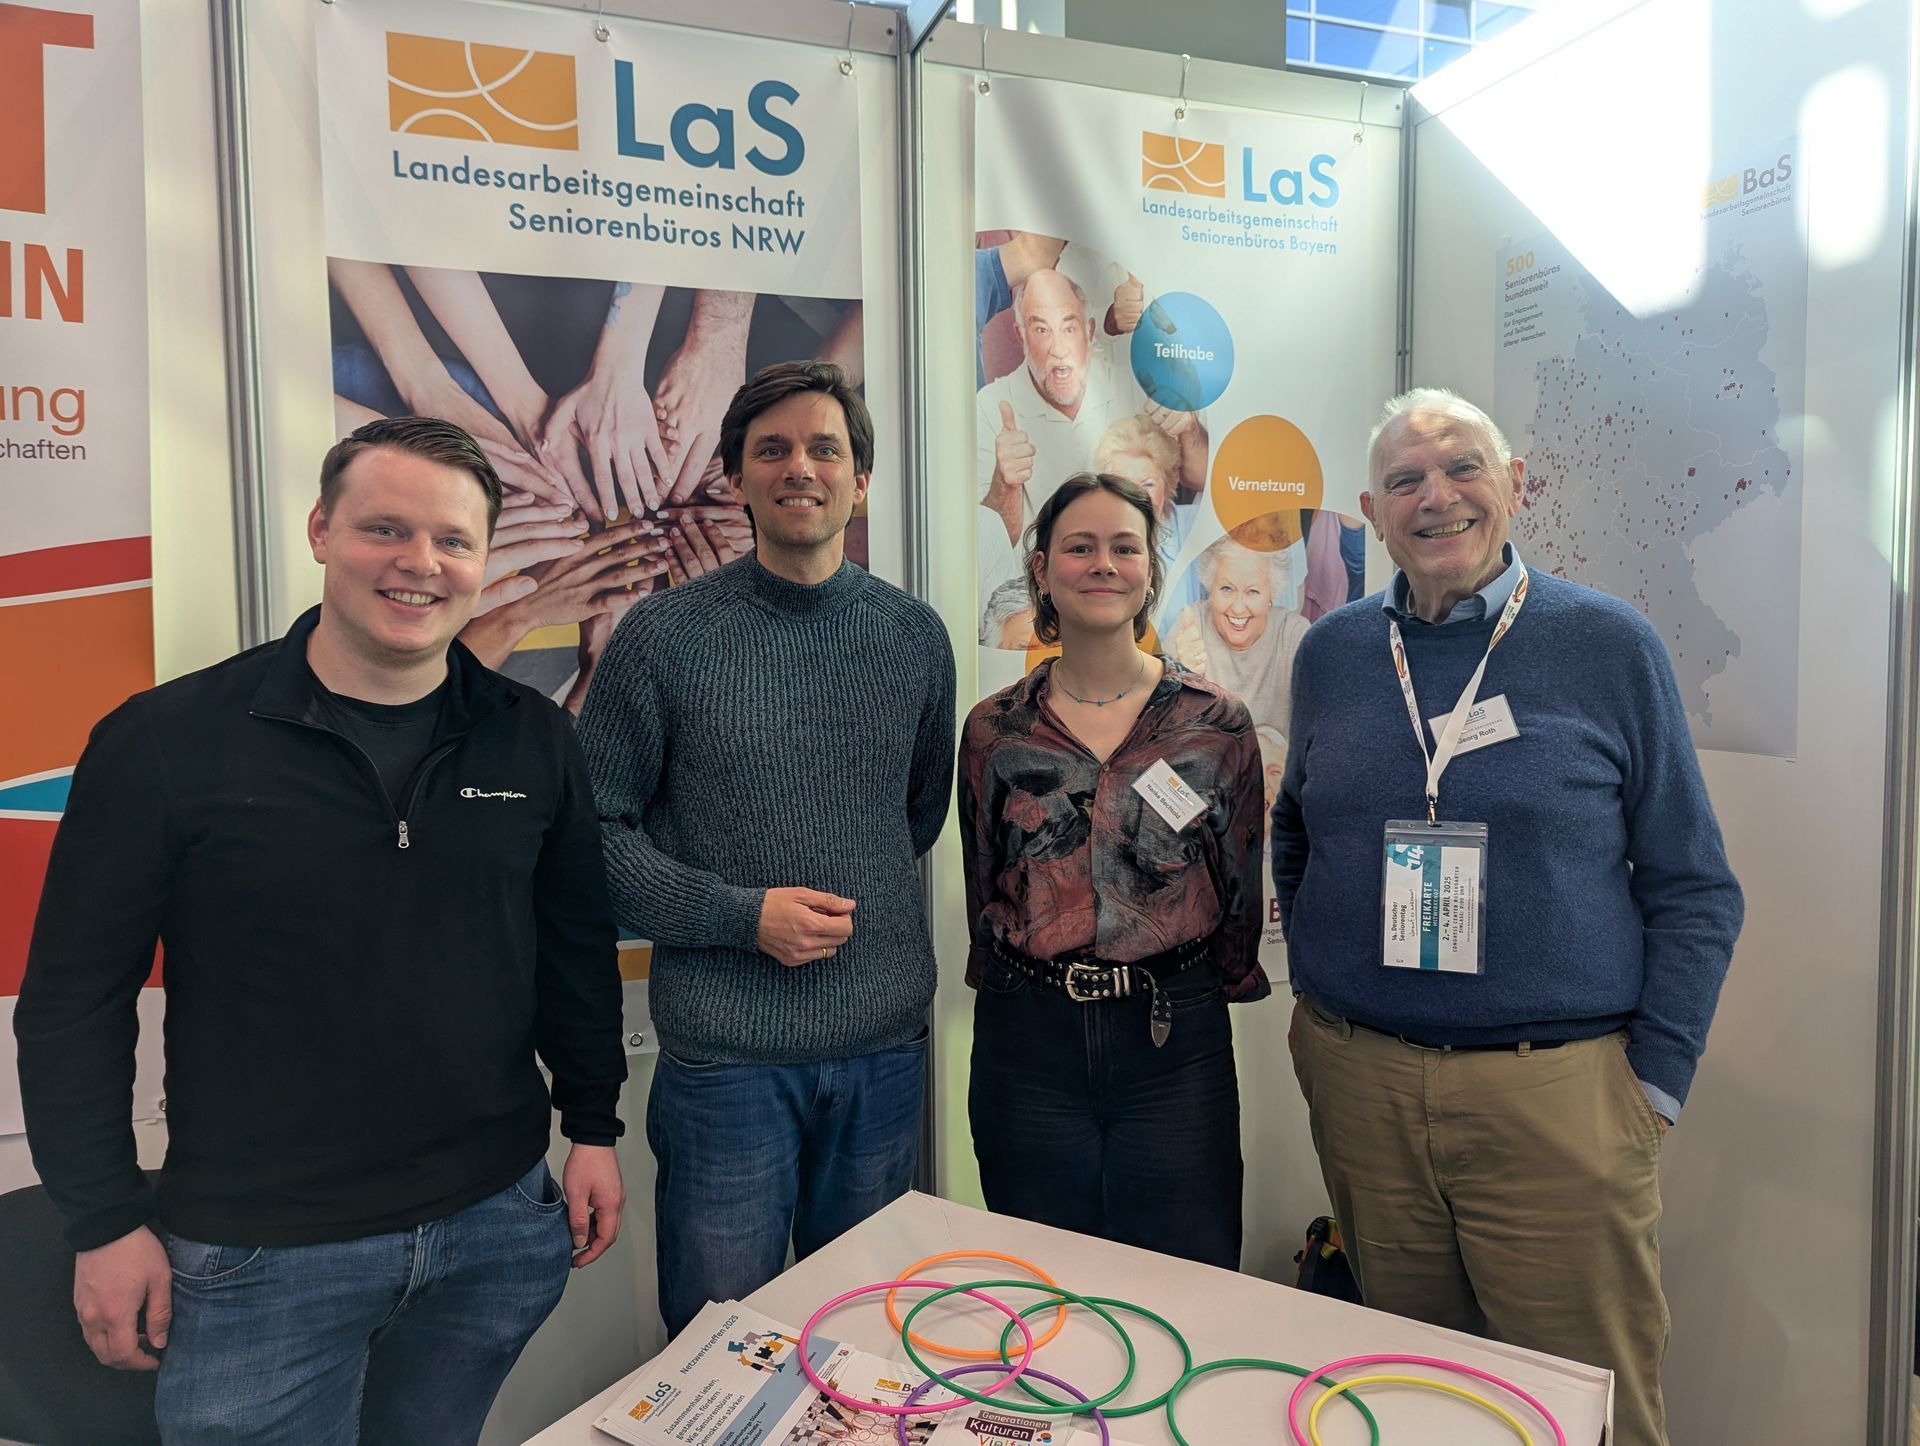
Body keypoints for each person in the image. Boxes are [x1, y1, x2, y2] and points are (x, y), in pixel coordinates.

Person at [13, 416, 629, 1444]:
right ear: (319, 531)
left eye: (453, 540)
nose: (420, 563)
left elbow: (573, 945)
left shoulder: (531, 736)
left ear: (485, 560)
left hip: (494, 1224)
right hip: (262, 1256)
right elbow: (73, 1005)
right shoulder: (164, 742)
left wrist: (595, 1124)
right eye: (385, 529)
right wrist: (104, 1220)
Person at [1272, 388, 1743, 1446]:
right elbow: (1296, 827)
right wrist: (1320, 999)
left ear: (1515, 484)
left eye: (1462, 469)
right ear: (1372, 512)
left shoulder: (1609, 646)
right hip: (1365, 1088)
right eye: (1405, 480)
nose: (1436, 497)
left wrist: (1651, 1087)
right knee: (1412, 1394)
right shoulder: (1335, 652)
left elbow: (1695, 885)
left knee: (1583, 1406)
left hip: (1556, 1097)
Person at [575, 360, 957, 1335]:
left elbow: (912, 818)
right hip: (726, 1067)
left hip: (883, 1053)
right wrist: (741, 917)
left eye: (825, 448)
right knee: (721, 1348)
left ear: (859, 480)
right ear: (736, 478)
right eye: (773, 449)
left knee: (863, 1341)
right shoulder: (663, 638)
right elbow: (593, 835)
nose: (800, 468)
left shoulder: (914, 637)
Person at [959, 472, 1270, 1269]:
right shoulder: (994, 730)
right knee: (1037, 1281)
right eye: (1080, 547)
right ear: (1042, 570)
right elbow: (984, 877)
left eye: (1124, 547)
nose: (1103, 564)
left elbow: (1239, 880)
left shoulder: (1216, 724)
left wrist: (1222, 982)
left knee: (1189, 1278)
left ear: (1149, 571)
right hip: (1028, 1040)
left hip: (1174, 1038)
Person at [975, 268, 1206, 599]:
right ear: (1020, 336)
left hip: (1128, 595)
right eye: (1041, 329)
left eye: (1069, 328)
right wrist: (1006, 484)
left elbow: (1200, 478)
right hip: (1036, 604)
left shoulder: (1134, 384)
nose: (1058, 349)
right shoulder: (990, 406)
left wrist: (1188, 428)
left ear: (1090, 330)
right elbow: (986, 548)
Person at [1166, 535, 1312, 729]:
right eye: (1227, 588)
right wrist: (1180, 680)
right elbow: (1160, 725)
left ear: (1272, 593)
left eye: (1253, 591)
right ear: (1210, 587)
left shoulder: (1294, 634)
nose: (1238, 608)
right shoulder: (1190, 626)